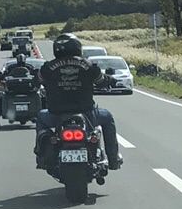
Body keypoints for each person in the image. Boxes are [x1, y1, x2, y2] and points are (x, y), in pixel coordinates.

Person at [34, 34, 122, 169]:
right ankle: (113, 159)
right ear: (77, 47)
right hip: (87, 114)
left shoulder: (47, 68)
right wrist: (112, 80)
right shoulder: (88, 66)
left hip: (56, 115)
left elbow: (37, 81)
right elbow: (102, 81)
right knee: (107, 117)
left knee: (41, 117)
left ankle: (43, 154)